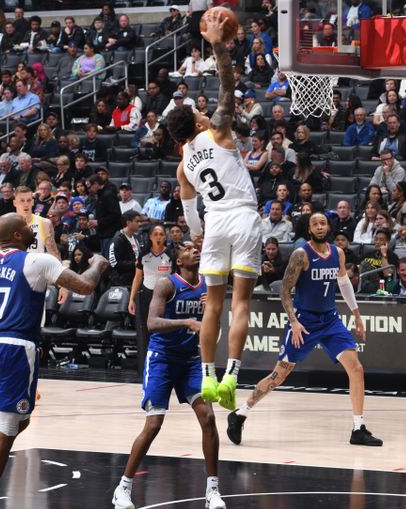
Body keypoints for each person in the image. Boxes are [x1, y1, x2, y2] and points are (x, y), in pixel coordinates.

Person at [0, 214, 107, 509]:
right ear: (16, 236)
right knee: (6, 425)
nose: (32, 231)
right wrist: (98, 265)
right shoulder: (36, 261)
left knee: (20, 419)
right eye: (27, 229)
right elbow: (84, 287)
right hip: (17, 348)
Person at [167, 9, 263, 410]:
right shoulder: (219, 130)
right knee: (241, 304)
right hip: (242, 216)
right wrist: (217, 44)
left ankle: (207, 377)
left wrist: (197, 234)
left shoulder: (183, 164)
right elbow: (228, 84)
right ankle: (232, 377)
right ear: (197, 118)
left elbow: (190, 214)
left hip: (215, 222)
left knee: (214, 305)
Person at [226, 212, 382, 446]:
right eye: (315, 224)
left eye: (323, 223)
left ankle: (358, 428)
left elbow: (343, 283)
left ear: (328, 227)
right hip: (304, 321)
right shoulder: (301, 255)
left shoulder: (337, 253)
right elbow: (284, 290)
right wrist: (294, 322)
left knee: (356, 368)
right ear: (309, 229)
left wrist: (356, 314)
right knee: (279, 376)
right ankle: (240, 413)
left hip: (330, 320)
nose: (320, 227)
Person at [113, 240, 225, 509]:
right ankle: (123, 487)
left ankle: (212, 490)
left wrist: (212, 310)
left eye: (196, 248)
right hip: (162, 359)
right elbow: (151, 324)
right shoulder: (167, 284)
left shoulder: (208, 288)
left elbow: (212, 331)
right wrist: (186, 321)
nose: (194, 250)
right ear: (178, 260)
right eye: (187, 249)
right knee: (153, 426)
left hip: (190, 362)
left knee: (208, 418)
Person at [127, 224, 172, 375]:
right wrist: (131, 299)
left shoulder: (171, 254)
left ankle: (165, 365)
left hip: (166, 296)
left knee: (165, 330)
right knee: (145, 331)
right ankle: (146, 367)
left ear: (165, 237)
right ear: (150, 237)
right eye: (156, 234)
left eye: (161, 234)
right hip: (146, 295)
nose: (158, 237)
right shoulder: (144, 255)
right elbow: (137, 277)